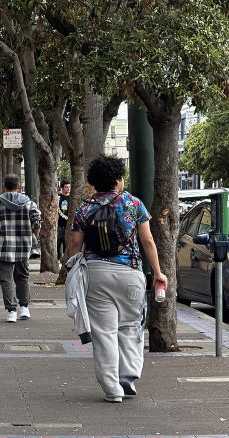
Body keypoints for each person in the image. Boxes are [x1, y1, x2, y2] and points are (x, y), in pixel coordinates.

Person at [68, 155, 167, 403]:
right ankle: (128, 376)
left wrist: (71, 266)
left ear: (94, 182)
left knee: (104, 332)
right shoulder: (133, 204)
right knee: (131, 326)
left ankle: (112, 388)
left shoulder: (84, 207)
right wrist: (157, 272)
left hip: (96, 274)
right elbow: (147, 241)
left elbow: (75, 244)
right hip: (130, 274)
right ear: (118, 180)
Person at [0, 174, 41, 323]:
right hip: (23, 246)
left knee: (6, 279)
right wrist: (33, 238)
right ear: (19, 186)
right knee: (22, 276)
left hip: (3, 248)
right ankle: (24, 307)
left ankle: (11, 311)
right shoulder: (29, 203)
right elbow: (37, 223)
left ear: (4, 186)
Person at [57, 180, 71, 261]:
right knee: (57, 243)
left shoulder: (72, 198)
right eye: (66, 187)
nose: (68, 189)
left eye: (69, 187)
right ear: (62, 188)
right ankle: (57, 259)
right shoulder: (58, 198)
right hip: (59, 225)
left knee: (67, 244)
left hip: (68, 226)